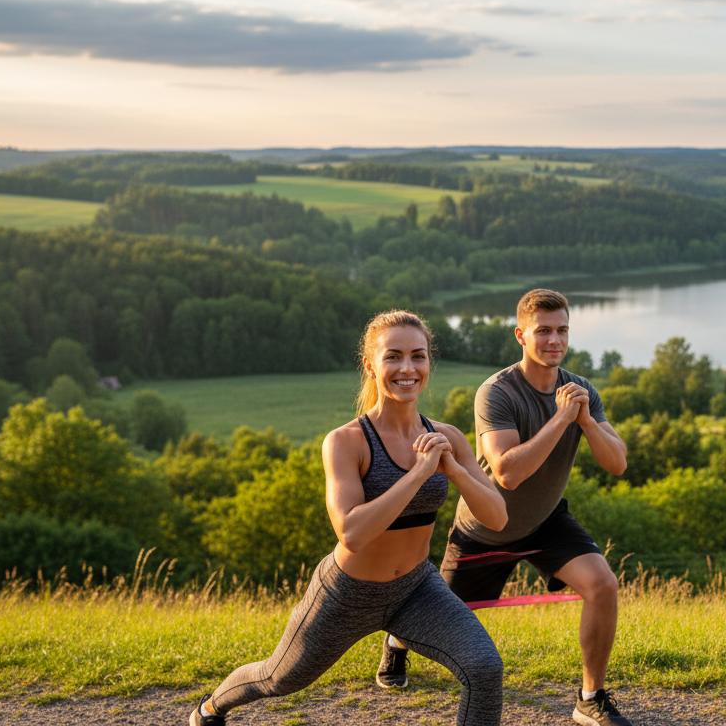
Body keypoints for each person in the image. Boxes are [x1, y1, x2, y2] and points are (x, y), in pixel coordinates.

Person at [191, 310, 508, 726]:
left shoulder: (446, 437)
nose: (408, 368)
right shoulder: (347, 441)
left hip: (416, 588)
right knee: (279, 677)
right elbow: (351, 532)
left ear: (429, 362)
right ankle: (209, 709)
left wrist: (454, 471)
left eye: (418, 356)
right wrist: (417, 474)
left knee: (484, 667)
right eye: (393, 356)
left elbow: (497, 517)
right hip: (347, 593)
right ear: (370, 365)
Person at [376, 289, 632, 726]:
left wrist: (586, 420)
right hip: (485, 528)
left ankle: (590, 698)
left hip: (546, 521)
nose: (554, 340)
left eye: (562, 330)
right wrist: (561, 419)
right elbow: (509, 473)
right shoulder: (497, 392)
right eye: (543, 331)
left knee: (602, 585)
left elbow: (618, 463)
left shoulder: (581, 391)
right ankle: (397, 642)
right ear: (520, 335)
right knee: (434, 614)